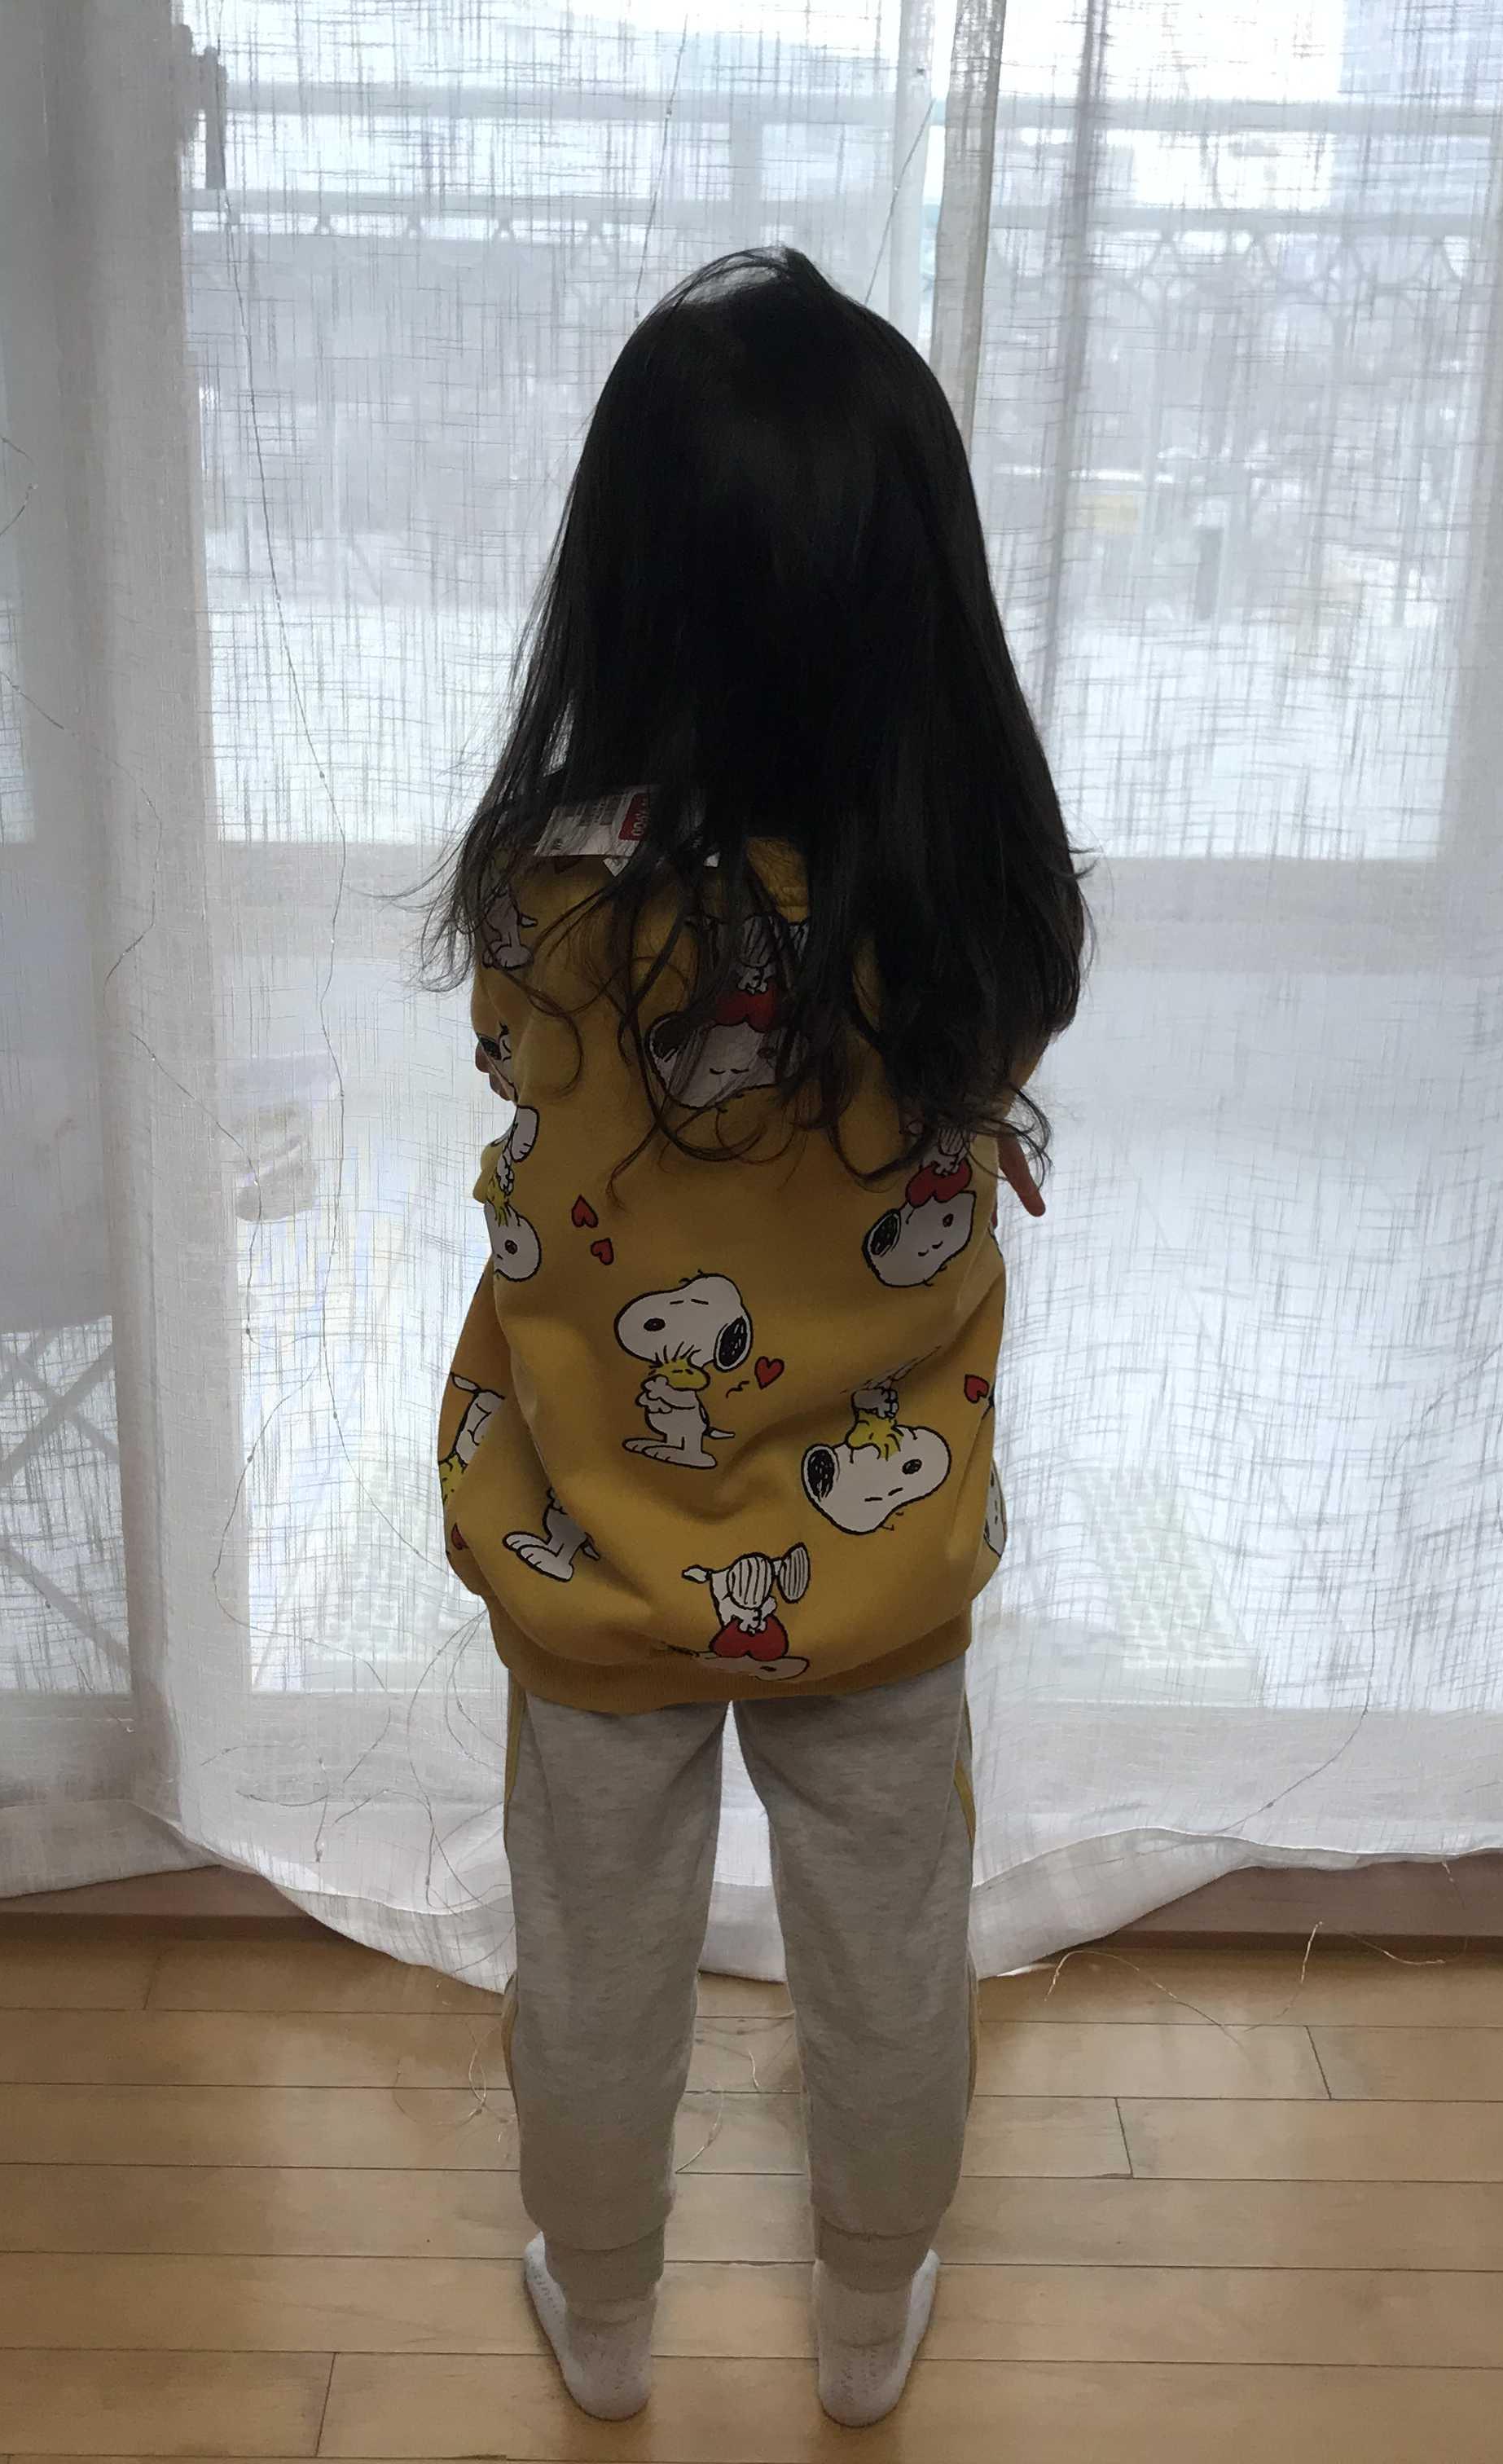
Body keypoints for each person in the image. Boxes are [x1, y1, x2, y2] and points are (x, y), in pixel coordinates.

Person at [426, 247, 1088, 2427]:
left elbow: (531, 1083)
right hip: (878, 1572)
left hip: (590, 1540)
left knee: (593, 1947)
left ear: (620, 590)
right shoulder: (967, 903)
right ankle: (868, 2309)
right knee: (889, 1944)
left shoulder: (551, 894)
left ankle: (607, 2312)